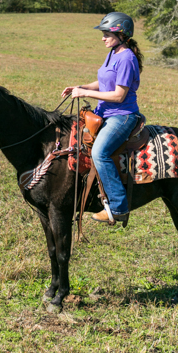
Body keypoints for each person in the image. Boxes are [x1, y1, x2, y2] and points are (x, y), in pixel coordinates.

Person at [61, 12, 144, 223]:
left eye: (107, 33)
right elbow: (104, 82)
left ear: (121, 34)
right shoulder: (114, 53)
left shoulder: (127, 58)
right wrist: (80, 87)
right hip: (104, 113)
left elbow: (119, 94)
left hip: (122, 116)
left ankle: (117, 208)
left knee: (100, 152)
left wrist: (86, 94)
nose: (103, 37)